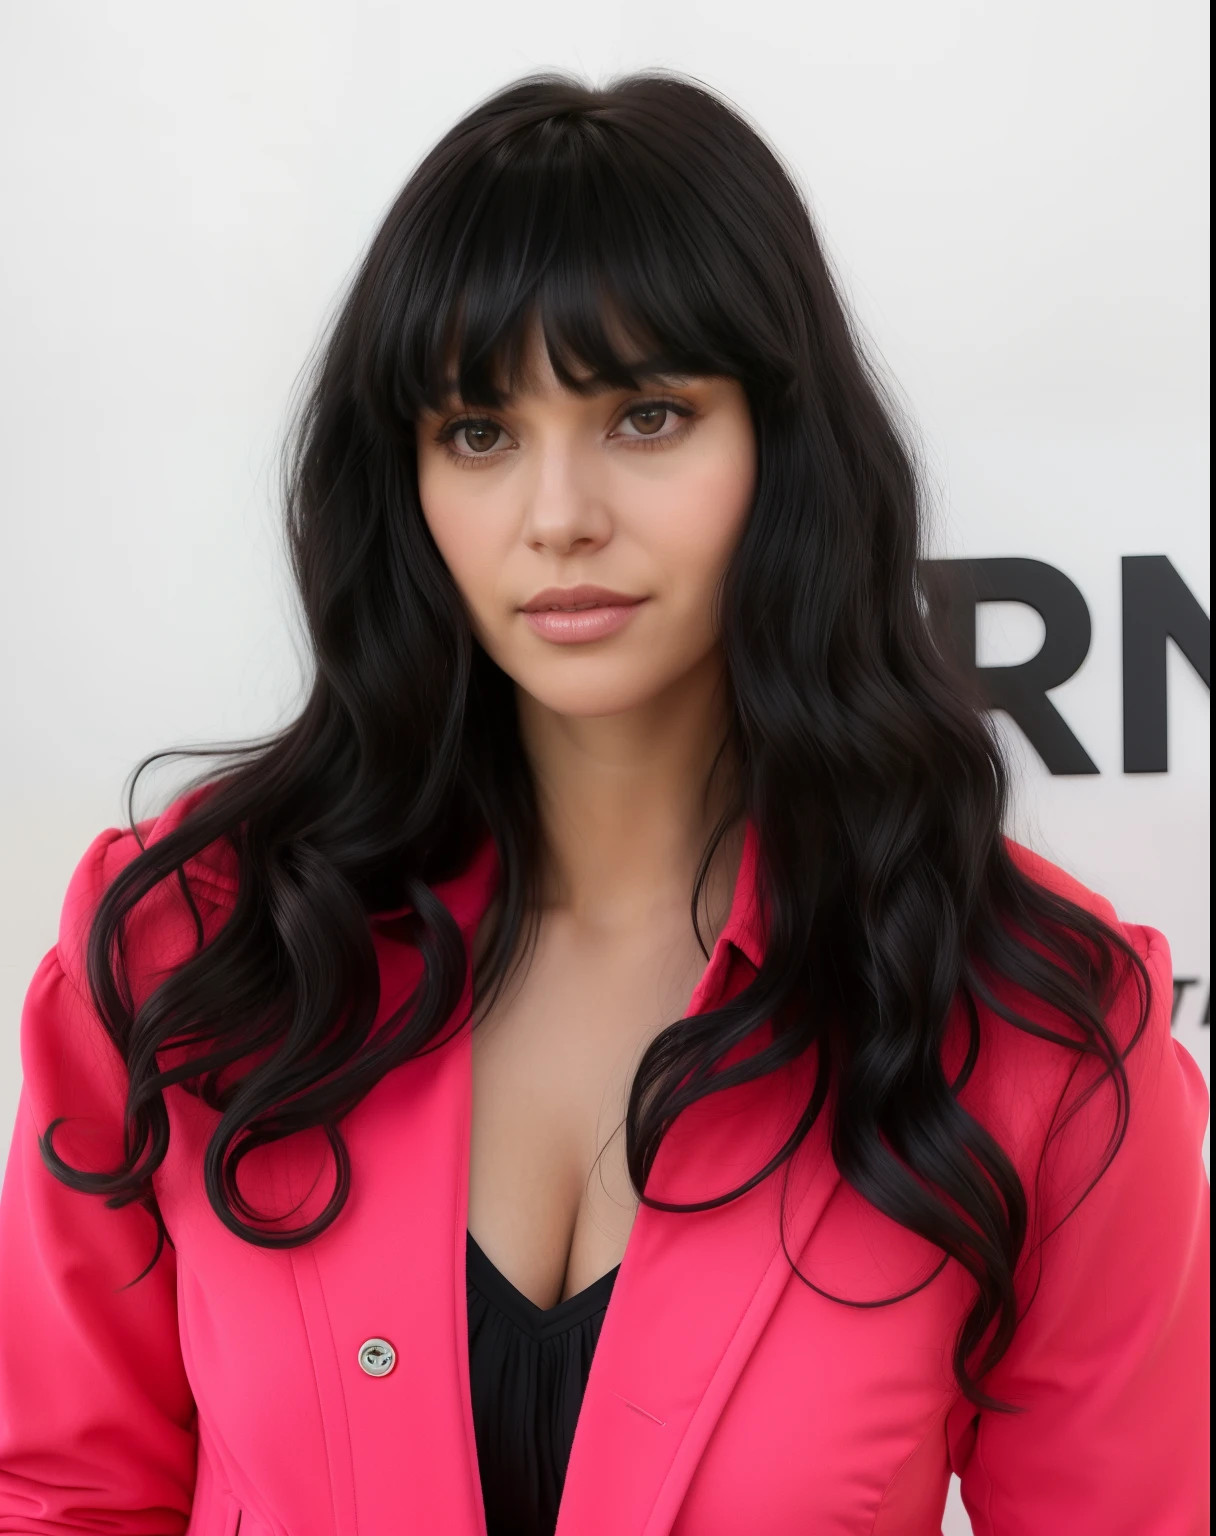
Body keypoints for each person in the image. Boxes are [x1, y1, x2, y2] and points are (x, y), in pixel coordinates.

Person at [0, 72, 1207, 1536]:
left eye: (644, 416)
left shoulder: (1034, 1031)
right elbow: (64, 1496)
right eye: (479, 431)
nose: (557, 513)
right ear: (410, 482)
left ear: (784, 449)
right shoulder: (190, 952)